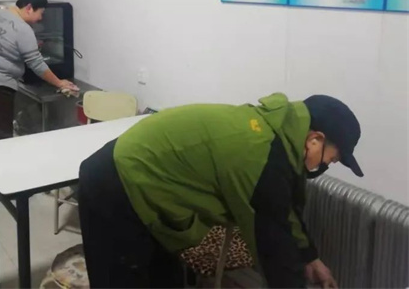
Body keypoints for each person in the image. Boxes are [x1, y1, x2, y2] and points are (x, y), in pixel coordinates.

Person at [78, 93, 363, 289]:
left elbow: (286, 211)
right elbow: (274, 249)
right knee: (123, 280)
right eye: (332, 159)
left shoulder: (278, 138)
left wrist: (310, 257)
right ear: (315, 140)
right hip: (116, 184)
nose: (327, 165)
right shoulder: (260, 156)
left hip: (146, 185)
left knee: (164, 280)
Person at [0, 0, 78, 142]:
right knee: (1, 138)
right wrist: (60, 83)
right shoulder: (23, 29)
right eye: (40, 13)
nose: (40, 18)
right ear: (29, 8)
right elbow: (37, 64)